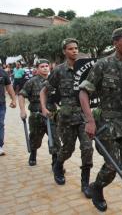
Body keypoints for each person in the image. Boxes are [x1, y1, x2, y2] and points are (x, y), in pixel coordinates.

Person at [79, 28, 122, 214]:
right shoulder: (102, 65)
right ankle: (97, 187)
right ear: (115, 43)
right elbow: (83, 92)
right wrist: (90, 120)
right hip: (107, 125)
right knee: (112, 166)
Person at [40, 38, 93, 198]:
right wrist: (43, 107)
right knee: (68, 149)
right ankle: (58, 165)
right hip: (66, 117)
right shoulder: (59, 70)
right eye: (71, 49)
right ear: (64, 51)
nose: (75, 51)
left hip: (83, 116)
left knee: (87, 148)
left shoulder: (85, 69)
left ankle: (85, 184)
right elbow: (45, 91)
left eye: (76, 48)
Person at [18, 59, 61, 166]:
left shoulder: (54, 81)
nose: (45, 68)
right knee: (35, 138)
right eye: (42, 66)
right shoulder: (31, 82)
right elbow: (21, 95)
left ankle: (55, 162)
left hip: (51, 115)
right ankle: (33, 154)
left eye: (47, 65)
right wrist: (22, 111)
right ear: (37, 69)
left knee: (55, 138)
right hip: (36, 115)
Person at [0, 65, 16, 156]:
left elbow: (9, 87)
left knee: (0, 124)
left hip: (0, 103)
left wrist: (13, 99)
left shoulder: (2, 72)